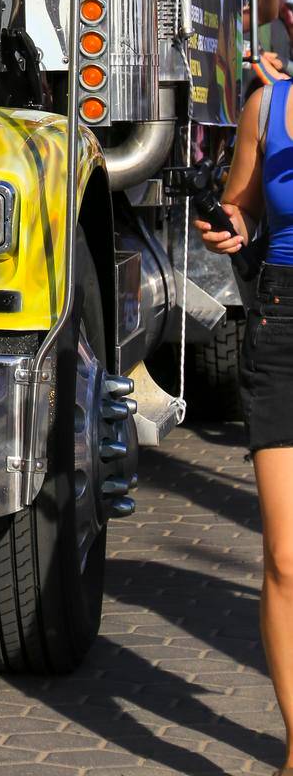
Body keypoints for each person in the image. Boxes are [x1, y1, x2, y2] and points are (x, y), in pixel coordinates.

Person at [195, 78, 293, 775]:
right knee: (287, 560)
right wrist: (232, 227)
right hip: (282, 325)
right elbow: (241, 206)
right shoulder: (271, 105)